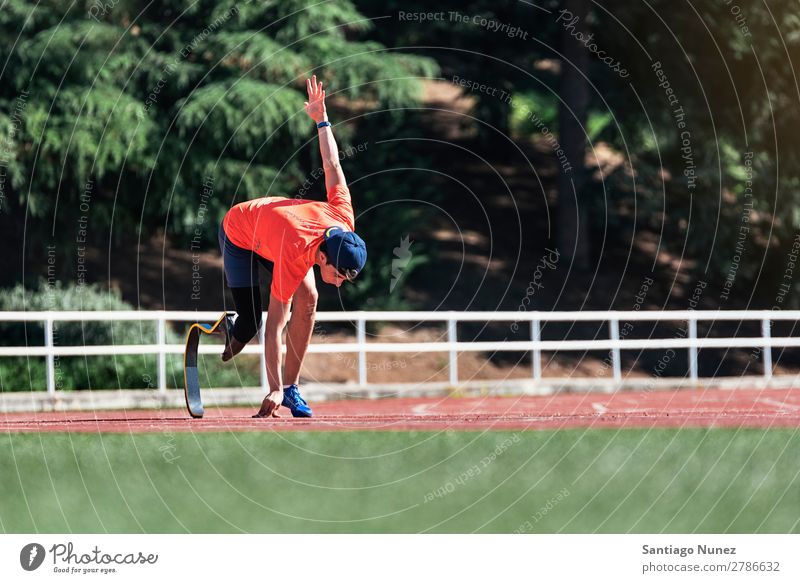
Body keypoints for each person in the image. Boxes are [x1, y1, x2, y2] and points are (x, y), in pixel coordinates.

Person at [218, 75, 366, 418]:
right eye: (340, 274)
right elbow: (275, 328)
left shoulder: (342, 219)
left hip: (273, 233)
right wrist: (271, 386)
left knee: (310, 297)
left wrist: (322, 119)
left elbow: (332, 165)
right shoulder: (296, 251)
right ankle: (236, 331)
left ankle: (293, 388)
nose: (341, 282)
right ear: (323, 256)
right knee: (253, 321)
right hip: (239, 233)